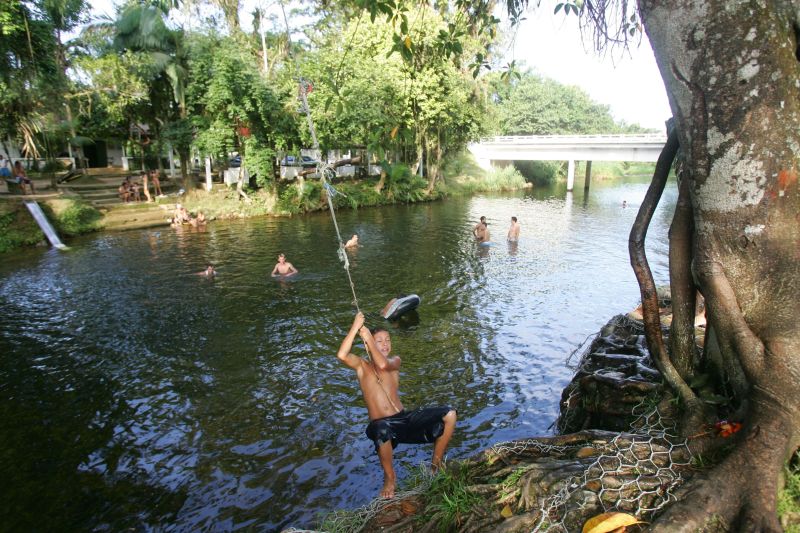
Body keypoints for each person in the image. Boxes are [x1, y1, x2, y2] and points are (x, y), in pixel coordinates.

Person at [337, 312, 457, 499]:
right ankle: (390, 478)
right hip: (382, 427)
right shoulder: (362, 366)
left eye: (388, 340)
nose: (385, 344)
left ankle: (436, 466)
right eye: (379, 341)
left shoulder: (394, 361)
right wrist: (355, 327)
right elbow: (342, 354)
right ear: (369, 345)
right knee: (381, 428)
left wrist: (369, 337)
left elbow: (383, 365)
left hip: (404, 419)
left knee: (449, 414)